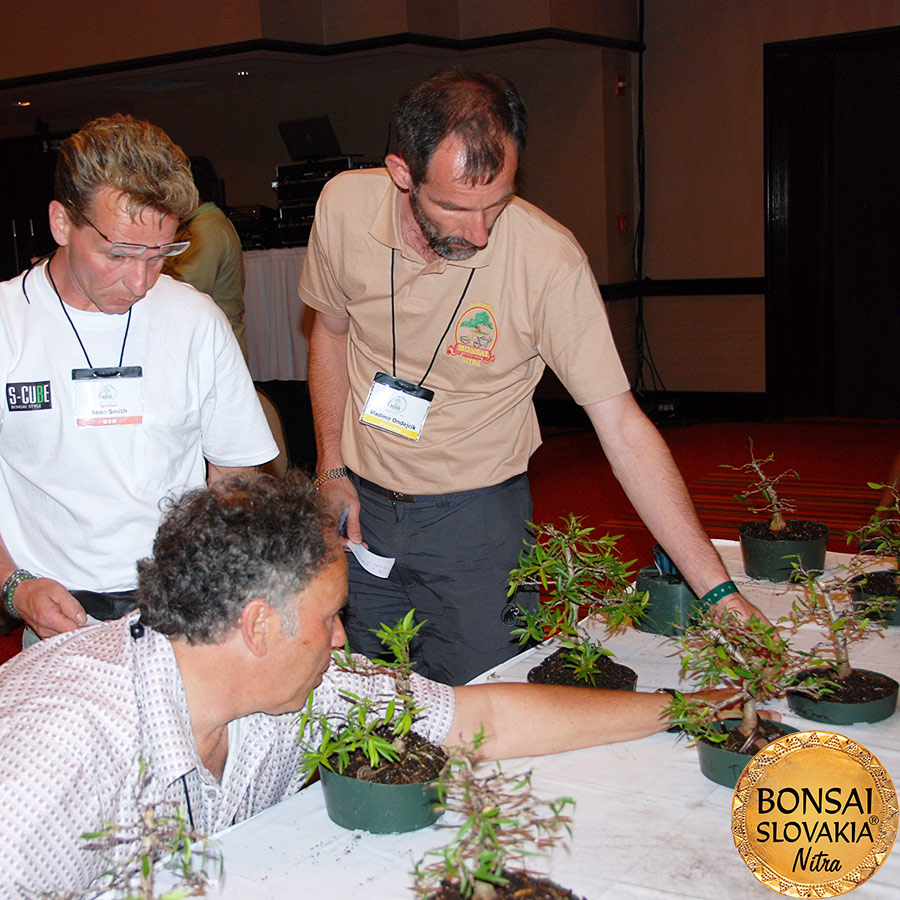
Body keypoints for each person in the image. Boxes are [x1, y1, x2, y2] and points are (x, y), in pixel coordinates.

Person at [0, 471, 731, 894]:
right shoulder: (53, 753)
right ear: (258, 626)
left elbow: (483, 722)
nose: (345, 635)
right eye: (330, 617)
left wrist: (674, 708)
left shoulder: (298, 684)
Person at [299, 69, 763, 684]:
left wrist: (717, 594)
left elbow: (623, 428)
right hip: (360, 512)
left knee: (486, 711)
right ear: (402, 172)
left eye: (498, 202)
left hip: (475, 522)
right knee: (355, 701)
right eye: (456, 207)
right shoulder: (342, 206)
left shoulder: (548, 260)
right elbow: (329, 333)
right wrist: (330, 466)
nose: (480, 232)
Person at [0, 114, 277, 644]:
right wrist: (15, 587)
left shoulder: (194, 319)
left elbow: (235, 475)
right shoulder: (7, 325)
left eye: (160, 255)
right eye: (118, 254)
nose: (140, 281)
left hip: (184, 607)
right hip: (58, 615)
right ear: (62, 223)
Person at [162, 155, 249, 361]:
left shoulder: (206, 228)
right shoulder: (200, 224)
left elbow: (189, 290)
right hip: (207, 343)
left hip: (213, 348)